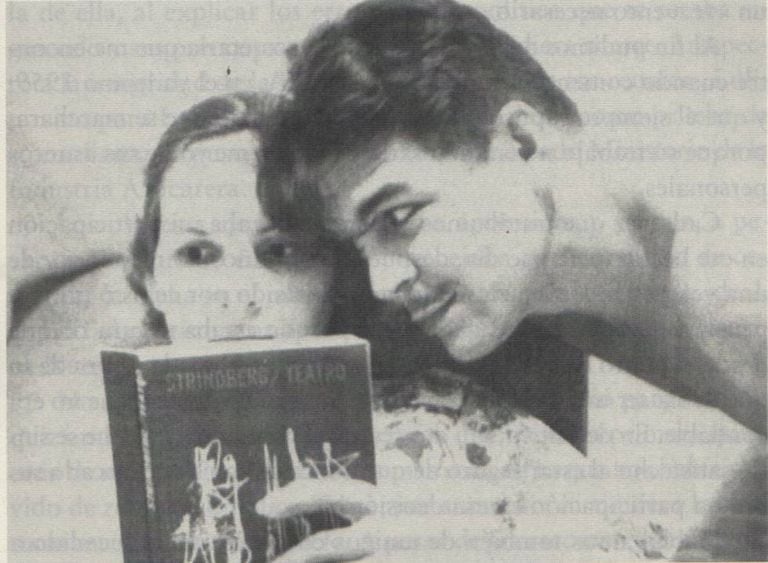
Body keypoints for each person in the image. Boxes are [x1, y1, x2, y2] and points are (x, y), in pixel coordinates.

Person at [254, 0, 766, 559]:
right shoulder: (569, 294)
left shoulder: (727, 273)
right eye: (361, 245)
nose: (382, 282)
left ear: (522, 142)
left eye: (398, 217)